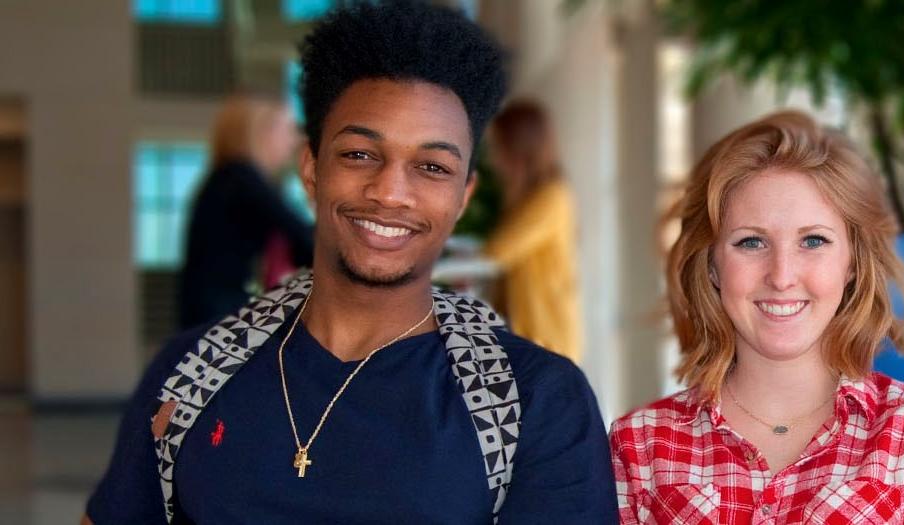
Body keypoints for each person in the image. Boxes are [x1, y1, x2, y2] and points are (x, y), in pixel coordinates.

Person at [84, 2, 615, 523]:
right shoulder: (192, 371)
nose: (390, 192)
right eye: (360, 154)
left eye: (431, 166)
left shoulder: (533, 402)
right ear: (312, 170)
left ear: (463, 197)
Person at [611, 111, 904, 524]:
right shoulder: (638, 444)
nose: (782, 276)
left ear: (853, 263)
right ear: (712, 265)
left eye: (813, 241)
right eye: (751, 242)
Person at [178, 93, 312, 329]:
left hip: (208, 313)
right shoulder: (241, 178)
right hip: (217, 318)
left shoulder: (226, 179)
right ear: (262, 132)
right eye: (288, 131)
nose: (293, 142)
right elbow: (301, 236)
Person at [483, 99, 581, 362]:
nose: (493, 159)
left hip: (547, 339)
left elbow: (498, 251)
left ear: (517, 148)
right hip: (533, 338)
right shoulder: (531, 195)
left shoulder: (551, 196)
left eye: (498, 148)